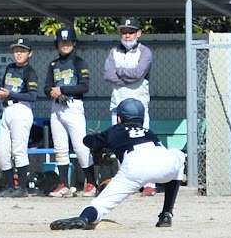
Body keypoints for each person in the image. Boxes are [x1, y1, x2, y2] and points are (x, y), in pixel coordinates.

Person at [50, 98, 185, 230]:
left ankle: (85, 218)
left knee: (100, 205)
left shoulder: (114, 130)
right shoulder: (149, 132)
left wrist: (97, 139)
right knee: (178, 156)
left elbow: (88, 141)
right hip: (164, 161)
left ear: (119, 118)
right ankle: (166, 213)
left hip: (135, 166)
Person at [43, 25, 98, 198]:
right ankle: (64, 185)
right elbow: (46, 87)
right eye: (61, 41)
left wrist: (62, 90)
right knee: (60, 148)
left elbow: (84, 86)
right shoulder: (53, 64)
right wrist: (52, 92)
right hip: (57, 107)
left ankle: (91, 183)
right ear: (57, 44)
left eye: (68, 41)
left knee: (81, 146)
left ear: (74, 43)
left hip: (74, 106)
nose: (65, 44)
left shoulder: (79, 62)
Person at [103, 17, 156, 197]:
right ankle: (126, 185)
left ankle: (149, 185)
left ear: (138, 33)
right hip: (118, 104)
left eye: (131, 32)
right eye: (124, 32)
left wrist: (120, 72)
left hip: (139, 107)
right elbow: (107, 75)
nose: (127, 35)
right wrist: (127, 76)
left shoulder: (145, 51)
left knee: (144, 144)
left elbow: (139, 73)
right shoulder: (113, 51)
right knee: (120, 145)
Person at [0, 38, 39, 198]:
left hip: (21, 109)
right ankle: (11, 186)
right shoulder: (10, 67)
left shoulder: (29, 71)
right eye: (16, 50)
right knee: (2, 151)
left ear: (30, 53)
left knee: (18, 150)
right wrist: (0, 93)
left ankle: (22, 188)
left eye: (23, 50)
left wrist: (10, 94)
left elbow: (33, 95)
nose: (18, 53)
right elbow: (3, 86)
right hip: (7, 110)